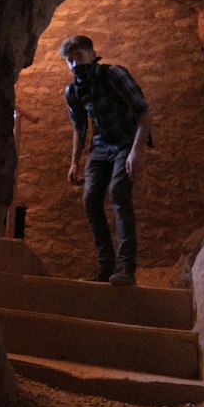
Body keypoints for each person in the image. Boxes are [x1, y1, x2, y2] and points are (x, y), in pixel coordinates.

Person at [59, 34, 152, 285]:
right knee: (90, 200)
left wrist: (137, 150)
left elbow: (143, 111)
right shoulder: (73, 91)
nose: (75, 64)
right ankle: (105, 268)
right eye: (70, 60)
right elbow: (79, 127)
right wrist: (74, 162)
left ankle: (125, 269)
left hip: (126, 141)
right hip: (101, 146)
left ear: (92, 54)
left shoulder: (113, 75)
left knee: (119, 193)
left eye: (79, 56)